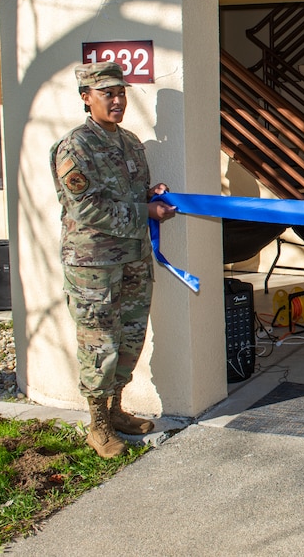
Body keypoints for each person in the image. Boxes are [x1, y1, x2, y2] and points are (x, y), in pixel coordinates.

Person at [50, 61, 177, 459]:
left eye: (121, 93)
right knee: (99, 343)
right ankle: (98, 425)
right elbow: (87, 208)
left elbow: (131, 193)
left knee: (130, 336)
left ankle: (117, 409)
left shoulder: (130, 142)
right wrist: (145, 213)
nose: (118, 100)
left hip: (133, 259)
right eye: (108, 94)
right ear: (87, 98)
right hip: (95, 267)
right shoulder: (76, 147)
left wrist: (151, 193)